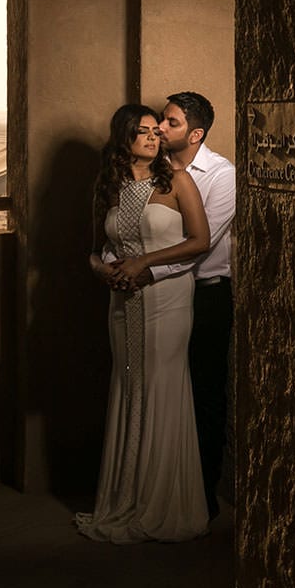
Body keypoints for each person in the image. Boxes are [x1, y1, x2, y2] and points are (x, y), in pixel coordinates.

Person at [79, 104, 211, 542]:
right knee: (129, 383)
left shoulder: (178, 180)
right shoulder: (109, 185)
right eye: (143, 132)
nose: (154, 138)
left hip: (168, 298)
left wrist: (144, 263)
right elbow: (96, 249)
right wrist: (103, 270)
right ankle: (126, 497)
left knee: (160, 384)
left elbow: (200, 241)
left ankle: (164, 503)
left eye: (158, 131)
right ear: (124, 138)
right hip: (122, 298)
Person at [146, 91, 236, 520]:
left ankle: (200, 498)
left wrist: (145, 272)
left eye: (172, 122)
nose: (160, 128)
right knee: (161, 388)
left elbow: (201, 245)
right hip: (160, 296)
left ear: (196, 133)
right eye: (162, 120)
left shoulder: (222, 176)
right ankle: (162, 490)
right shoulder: (152, 171)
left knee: (203, 392)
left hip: (207, 295)